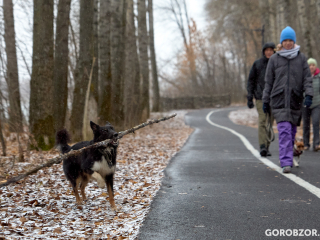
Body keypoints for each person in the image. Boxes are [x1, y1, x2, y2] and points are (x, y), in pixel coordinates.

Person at [262, 26, 313, 173]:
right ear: (281, 42)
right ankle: (286, 162)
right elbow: (269, 82)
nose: (288, 43)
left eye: (291, 40)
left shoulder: (301, 58)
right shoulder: (274, 59)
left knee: (291, 132)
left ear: (294, 41)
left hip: (295, 100)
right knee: (284, 131)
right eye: (285, 40)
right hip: (278, 100)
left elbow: (307, 79)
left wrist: (309, 95)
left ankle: (288, 157)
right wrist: (265, 100)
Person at [247, 42, 276, 157]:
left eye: (271, 50)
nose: (269, 52)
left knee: (270, 122)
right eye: (266, 50)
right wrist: (250, 97)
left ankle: (267, 147)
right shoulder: (257, 64)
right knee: (263, 120)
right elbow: (251, 81)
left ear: (274, 51)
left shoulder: (276, 63)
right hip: (260, 97)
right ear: (263, 51)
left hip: (274, 98)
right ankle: (262, 146)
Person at [302, 58, 320, 151]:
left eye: (313, 65)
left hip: (317, 103)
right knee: (306, 124)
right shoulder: (304, 76)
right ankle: (306, 144)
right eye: (309, 65)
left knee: (316, 123)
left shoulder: (319, 77)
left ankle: (316, 144)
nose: (311, 67)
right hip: (305, 103)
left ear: (315, 66)